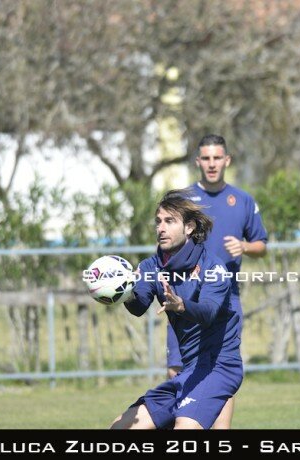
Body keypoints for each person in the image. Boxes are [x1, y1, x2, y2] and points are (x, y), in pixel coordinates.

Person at [111, 189, 242, 430]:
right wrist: (122, 292)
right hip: (189, 370)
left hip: (219, 366)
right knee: (120, 428)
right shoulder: (151, 265)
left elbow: (208, 312)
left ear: (189, 227)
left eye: (170, 221)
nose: (161, 228)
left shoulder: (213, 267)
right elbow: (139, 306)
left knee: (185, 427)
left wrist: (181, 305)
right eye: (158, 221)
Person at [165, 134, 268, 429]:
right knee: (177, 369)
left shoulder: (243, 200)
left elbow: (261, 244)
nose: (212, 164)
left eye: (217, 158)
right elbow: (165, 243)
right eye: (206, 158)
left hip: (224, 300)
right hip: (185, 298)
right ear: (198, 161)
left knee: (221, 371)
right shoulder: (182, 201)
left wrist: (245, 247)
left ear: (227, 160)